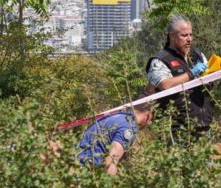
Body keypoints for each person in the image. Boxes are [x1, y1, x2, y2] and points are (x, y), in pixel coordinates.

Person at [145, 15, 213, 145]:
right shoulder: (160, 60)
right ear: (172, 36)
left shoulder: (197, 54)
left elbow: (207, 85)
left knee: (206, 166)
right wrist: (191, 73)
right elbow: (165, 85)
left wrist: (211, 79)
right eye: (184, 35)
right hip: (176, 130)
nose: (189, 39)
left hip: (203, 127)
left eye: (191, 35)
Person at [76, 99, 153, 175]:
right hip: (85, 171)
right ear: (148, 116)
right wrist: (110, 185)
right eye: (150, 121)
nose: (148, 124)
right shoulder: (130, 127)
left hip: (75, 161)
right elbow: (112, 160)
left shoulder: (118, 115)